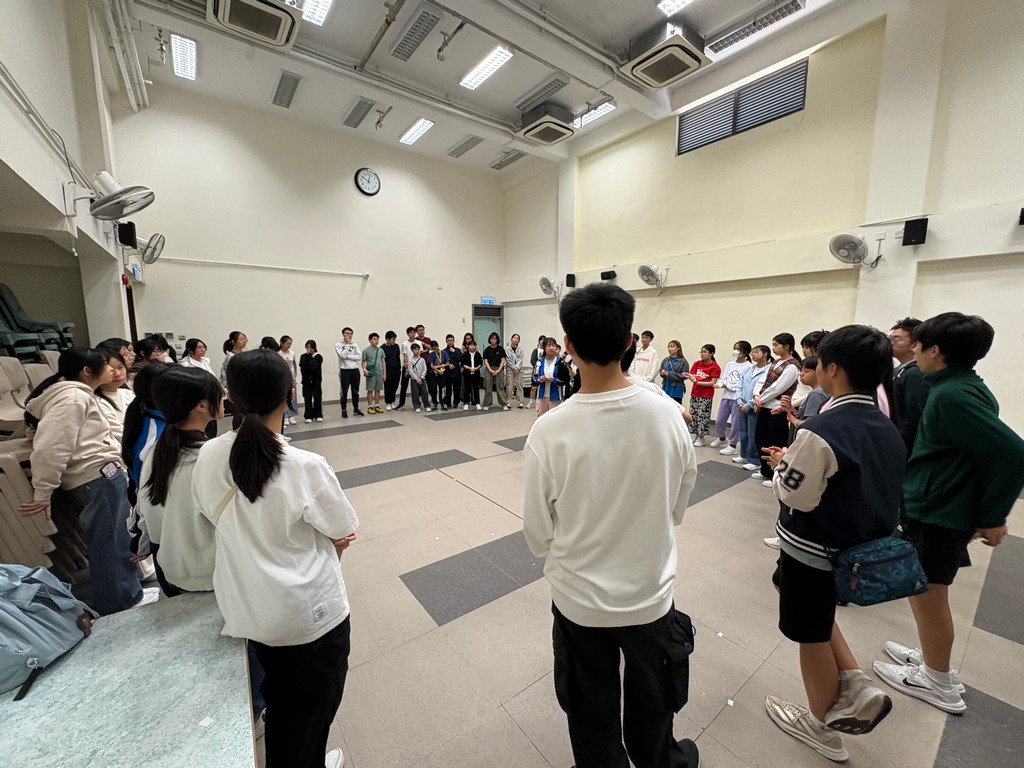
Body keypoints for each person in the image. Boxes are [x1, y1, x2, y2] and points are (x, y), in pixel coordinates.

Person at [523, 283, 700, 768]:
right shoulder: (668, 415)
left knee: (588, 706)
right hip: (649, 593)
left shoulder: (549, 431)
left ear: (568, 345)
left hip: (579, 599)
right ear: (629, 342)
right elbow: (681, 496)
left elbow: (537, 533)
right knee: (654, 700)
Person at [191, 350, 357, 768]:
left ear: (230, 397)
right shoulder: (304, 465)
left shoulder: (208, 455)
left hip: (250, 609)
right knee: (312, 711)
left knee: (279, 697)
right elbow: (343, 526)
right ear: (290, 395)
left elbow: (209, 512)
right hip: (310, 617)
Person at [762, 325, 904, 762]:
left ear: (833, 369)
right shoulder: (885, 425)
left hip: (814, 550)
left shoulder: (823, 429)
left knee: (808, 632)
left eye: (819, 362)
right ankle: (854, 680)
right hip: (855, 546)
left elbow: (797, 496)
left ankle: (823, 725)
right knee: (814, 610)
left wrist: (783, 465)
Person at [873, 313, 1024, 714]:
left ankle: (937, 679)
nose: (913, 351)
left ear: (935, 350)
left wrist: (992, 516)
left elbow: (1013, 455)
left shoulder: (952, 395)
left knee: (929, 594)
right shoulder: (959, 385)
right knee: (925, 591)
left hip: (939, 510)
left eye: (918, 345)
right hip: (938, 502)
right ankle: (931, 657)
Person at [20, 347, 154, 615]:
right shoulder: (71, 398)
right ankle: (120, 603)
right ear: (86, 371)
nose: (112, 370)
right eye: (106, 365)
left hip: (101, 475)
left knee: (115, 539)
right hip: (95, 476)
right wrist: (43, 491)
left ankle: (128, 594)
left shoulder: (77, 394)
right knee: (109, 543)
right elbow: (51, 447)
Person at [136, 366, 222, 595]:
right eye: (219, 394)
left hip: (172, 569)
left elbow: (144, 513)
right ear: (201, 405)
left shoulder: (158, 450)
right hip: (214, 574)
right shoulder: (210, 456)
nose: (223, 398)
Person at [754, 333, 801, 485]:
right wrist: (756, 395)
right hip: (764, 405)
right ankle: (764, 470)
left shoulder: (792, 366)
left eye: (776, 345)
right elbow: (762, 381)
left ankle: (774, 474)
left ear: (786, 346)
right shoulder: (775, 363)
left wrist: (760, 400)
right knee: (761, 439)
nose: (773, 348)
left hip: (776, 408)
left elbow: (778, 388)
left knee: (774, 440)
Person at [888, 317, 926, 453]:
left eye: (896, 339)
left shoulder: (914, 373)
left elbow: (913, 416)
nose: (890, 343)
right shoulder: (900, 371)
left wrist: (901, 447)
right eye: (890, 338)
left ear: (913, 345)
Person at [735, 345, 771, 472]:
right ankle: (743, 455)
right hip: (742, 404)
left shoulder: (768, 370)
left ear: (765, 354)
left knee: (753, 433)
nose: (753, 354)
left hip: (754, 405)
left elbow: (762, 390)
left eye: (756, 352)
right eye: (752, 352)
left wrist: (748, 404)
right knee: (743, 431)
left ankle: (754, 460)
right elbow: (739, 385)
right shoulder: (750, 368)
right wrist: (739, 400)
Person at [712, 341, 751, 455]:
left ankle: (733, 445)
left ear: (745, 352)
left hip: (738, 398)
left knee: (735, 423)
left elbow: (743, 384)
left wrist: (727, 386)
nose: (735, 351)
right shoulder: (730, 364)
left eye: (738, 349)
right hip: (726, 396)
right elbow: (724, 378)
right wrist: (719, 384)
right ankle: (722, 438)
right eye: (735, 348)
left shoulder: (748, 366)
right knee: (719, 420)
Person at [95, 348, 135, 447]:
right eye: (111, 369)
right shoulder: (96, 401)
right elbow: (122, 436)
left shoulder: (129, 394)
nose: (117, 373)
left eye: (120, 367)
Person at [685, 344, 721, 446]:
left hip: (706, 395)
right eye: (701, 352)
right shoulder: (697, 363)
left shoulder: (715, 366)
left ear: (711, 353)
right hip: (695, 393)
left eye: (705, 352)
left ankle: (701, 437)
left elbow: (712, 383)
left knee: (703, 416)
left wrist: (697, 382)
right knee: (694, 414)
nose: (702, 354)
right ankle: (695, 435)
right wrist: (690, 376)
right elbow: (693, 376)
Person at [532, 337, 568, 417]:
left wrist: (554, 380)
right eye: (548, 346)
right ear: (544, 348)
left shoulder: (560, 362)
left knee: (555, 419)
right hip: (542, 395)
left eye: (553, 345)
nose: (551, 348)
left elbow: (565, 380)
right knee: (541, 418)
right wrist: (540, 379)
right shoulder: (540, 361)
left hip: (556, 396)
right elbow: (535, 376)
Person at [335, 327, 363, 418]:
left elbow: (359, 357)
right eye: (347, 333)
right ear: (343, 334)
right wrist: (347, 345)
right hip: (344, 371)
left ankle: (356, 409)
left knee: (355, 391)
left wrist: (348, 356)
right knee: (344, 391)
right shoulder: (338, 345)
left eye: (350, 334)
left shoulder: (355, 345)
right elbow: (342, 356)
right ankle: (344, 410)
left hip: (355, 370)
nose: (349, 335)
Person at [221, 331, 248, 424]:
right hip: (236, 390)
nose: (244, 341)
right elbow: (226, 375)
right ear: (233, 341)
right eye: (241, 339)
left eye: (245, 339)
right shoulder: (230, 357)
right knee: (239, 415)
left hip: (246, 389)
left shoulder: (246, 355)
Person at [481, 332, 508, 410]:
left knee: (500, 387)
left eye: (495, 339)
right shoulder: (487, 350)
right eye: (492, 339)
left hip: (499, 369)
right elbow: (485, 361)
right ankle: (486, 404)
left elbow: (503, 360)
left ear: (497, 340)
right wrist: (490, 369)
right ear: (490, 339)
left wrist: (498, 370)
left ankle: (503, 404)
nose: (493, 340)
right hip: (489, 369)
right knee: (488, 386)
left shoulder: (501, 349)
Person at [299, 340, 324, 423]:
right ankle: (308, 415)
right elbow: (303, 366)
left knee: (317, 397)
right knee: (307, 398)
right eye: (307, 347)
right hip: (306, 381)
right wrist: (307, 356)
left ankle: (318, 415)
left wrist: (310, 356)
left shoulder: (318, 357)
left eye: (311, 347)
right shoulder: (303, 356)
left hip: (316, 381)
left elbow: (314, 367)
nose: (309, 349)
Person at [361, 333, 385, 414]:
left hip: (379, 373)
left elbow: (383, 362)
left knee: (378, 390)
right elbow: (363, 362)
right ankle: (370, 406)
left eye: (377, 339)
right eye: (374, 339)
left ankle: (377, 405)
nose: (376, 341)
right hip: (371, 373)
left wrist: (384, 373)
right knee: (370, 390)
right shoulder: (366, 350)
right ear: (370, 340)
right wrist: (364, 369)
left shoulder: (381, 350)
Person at [278, 336, 299, 425]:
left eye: (290, 343)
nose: (289, 345)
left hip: (291, 378)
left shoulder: (292, 353)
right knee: (284, 397)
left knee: (292, 396)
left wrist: (295, 374)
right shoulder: (278, 353)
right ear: (282, 343)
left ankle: (291, 415)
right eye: (287, 343)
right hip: (283, 378)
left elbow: (294, 363)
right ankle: (285, 415)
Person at [396, 327, 417, 412]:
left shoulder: (418, 342)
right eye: (411, 333)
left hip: (416, 366)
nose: (413, 334)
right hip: (407, 366)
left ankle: (417, 404)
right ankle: (401, 404)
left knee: (417, 385)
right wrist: (406, 366)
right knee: (404, 385)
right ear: (408, 334)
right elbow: (405, 355)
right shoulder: (405, 344)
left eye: (414, 332)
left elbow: (419, 354)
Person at [381, 331, 402, 411]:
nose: (394, 341)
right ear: (387, 339)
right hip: (387, 370)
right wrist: (384, 372)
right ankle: (388, 402)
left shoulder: (396, 346)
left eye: (395, 339)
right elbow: (382, 361)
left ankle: (393, 401)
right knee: (388, 386)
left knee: (395, 386)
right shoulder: (382, 348)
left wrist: (399, 368)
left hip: (396, 369)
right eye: (392, 339)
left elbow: (397, 357)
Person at [407, 343, 430, 413]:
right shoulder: (410, 360)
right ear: (412, 350)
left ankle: (427, 406)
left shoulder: (422, 359)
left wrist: (422, 377)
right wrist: (417, 379)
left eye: (418, 349)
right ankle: (416, 406)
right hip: (414, 379)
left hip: (422, 379)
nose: (417, 351)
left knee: (424, 393)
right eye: (415, 349)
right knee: (415, 393)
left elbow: (425, 369)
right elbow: (410, 371)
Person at [504, 333, 525, 409]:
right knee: (509, 386)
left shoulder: (521, 349)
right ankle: (508, 402)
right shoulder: (507, 349)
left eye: (517, 338)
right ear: (511, 339)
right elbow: (507, 359)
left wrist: (517, 367)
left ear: (519, 340)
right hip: (510, 369)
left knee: (519, 386)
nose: (516, 339)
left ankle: (520, 402)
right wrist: (513, 367)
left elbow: (521, 359)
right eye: (514, 338)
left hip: (519, 370)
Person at [443, 334, 463, 410]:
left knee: (457, 389)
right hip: (447, 373)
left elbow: (461, 359)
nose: (450, 342)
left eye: (452, 340)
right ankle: (448, 403)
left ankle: (456, 403)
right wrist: (448, 365)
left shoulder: (457, 350)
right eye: (449, 340)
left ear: (454, 341)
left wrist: (454, 352)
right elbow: (442, 362)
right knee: (448, 390)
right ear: (446, 341)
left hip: (456, 373)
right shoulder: (444, 351)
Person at [462, 340, 482, 411]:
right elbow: (463, 364)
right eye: (471, 345)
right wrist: (469, 368)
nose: (472, 347)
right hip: (467, 373)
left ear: (475, 346)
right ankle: (466, 403)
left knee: (476, 388)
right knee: (467, 389)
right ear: (468, 346)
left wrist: (476, 368)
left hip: (476, 373)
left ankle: (477, 403)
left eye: (474, 345)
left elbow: (480, 363)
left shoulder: (478, 354)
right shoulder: (465, 354)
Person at [427, 340, 446, 410]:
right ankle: (435, 403)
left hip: (442, 373)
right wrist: (437, 370)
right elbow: (431, 366)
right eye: (433, 349)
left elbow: (447, 363)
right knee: (433, 389)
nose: (435, 350)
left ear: (438, 346)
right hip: (434, 374)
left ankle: (443, 403)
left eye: (435, 348)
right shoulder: (431, 354)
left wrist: (441, 366)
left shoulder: (443, 353)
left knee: (442, 388)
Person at [528, 334, 546, 408]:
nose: (542, 341)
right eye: (541, 340)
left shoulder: (546, 351)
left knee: (543, 388)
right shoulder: (536, 350)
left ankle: (541, 403)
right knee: (533, 388)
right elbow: (532, 360)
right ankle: (530, 402)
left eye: (544, 340)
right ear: (539, 341)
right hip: (536, 372)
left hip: (544, 372)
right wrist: (537, 366)